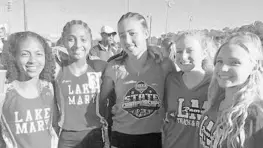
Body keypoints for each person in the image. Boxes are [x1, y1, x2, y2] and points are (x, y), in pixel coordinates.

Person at [99, 12, 175, 148]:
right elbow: (103, 101)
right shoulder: (113, 67)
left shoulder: (164, 64)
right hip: (121, 136)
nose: (127, 40)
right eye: (122, 35)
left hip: (155, 136)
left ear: (146, 33)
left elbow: (176, 98)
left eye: (132, 33)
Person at [199, 32, 263, 148]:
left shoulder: (257, 116)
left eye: (235, 62)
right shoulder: (217, 100)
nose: (223, 68)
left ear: (254, 67)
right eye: (219, 61)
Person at [54, 20, 108, 148]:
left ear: (91, 42)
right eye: (71, 39)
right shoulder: (57, 70)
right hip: (67, 137)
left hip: (94, 134)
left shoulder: (100, 67)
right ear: (63, 41)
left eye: (83, 39)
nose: (78, 45)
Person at [0, 31, 58, 148]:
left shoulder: (49, 88)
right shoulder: (4, 90)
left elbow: (54, 125)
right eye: (25, 54)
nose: (32, 60)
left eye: (39, 54)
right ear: (13, 57)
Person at [162, 31, 215, 148]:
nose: (183, 56)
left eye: (189, 51)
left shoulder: (215, 84)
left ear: (204, 53)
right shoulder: (170, 80)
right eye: (179, 51)